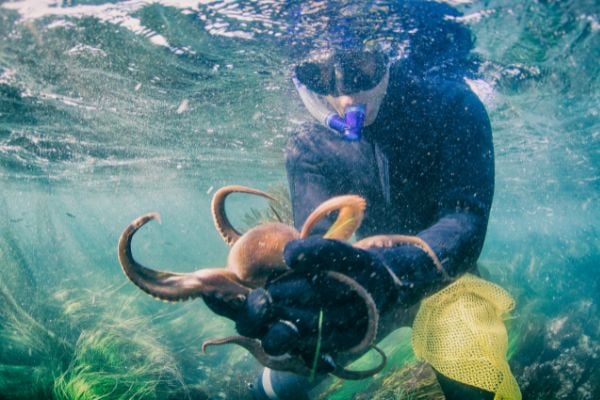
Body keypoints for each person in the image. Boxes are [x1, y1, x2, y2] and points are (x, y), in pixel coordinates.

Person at [205, 2, 521, 399]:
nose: (344, 96)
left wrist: (393, 272)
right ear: (299, 78)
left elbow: (465, 220)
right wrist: (295, 293)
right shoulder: (308, 147)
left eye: (360, 69)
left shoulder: (453, 107)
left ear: (385, 57)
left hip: (449, 280)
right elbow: (315, 240)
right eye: (317, 76)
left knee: (477, 384)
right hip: (360, 281)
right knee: (275, 388)